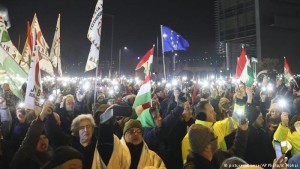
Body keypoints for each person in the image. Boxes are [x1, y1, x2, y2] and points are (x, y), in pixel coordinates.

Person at [183, 122, 248, 169]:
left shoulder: (217, 155)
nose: (217, 139)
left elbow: (235, 153)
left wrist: (242, 131)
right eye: (214, 138)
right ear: (206, 147)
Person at [10, 101, 54, 169]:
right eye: (38, 139)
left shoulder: (52, 155)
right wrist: (42, 114)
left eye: (45, 137)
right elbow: (31, 135)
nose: (43, 141)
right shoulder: (21, 158)